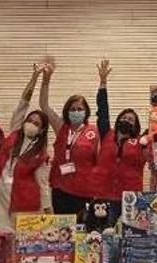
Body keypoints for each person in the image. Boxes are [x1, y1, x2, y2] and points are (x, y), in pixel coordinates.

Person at [0, 64, 51, 230]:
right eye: (29, 120)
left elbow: (43, 184)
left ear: (41, 130)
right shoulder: (14, 132)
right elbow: (24, 102)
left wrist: (48, 211)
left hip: (21, 201)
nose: (31, 124)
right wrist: (34, 77)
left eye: (36, 124)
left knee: (16, 246)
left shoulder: (40, 153)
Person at [40, 61, 103, 215]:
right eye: (73, 109)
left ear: (86, 112)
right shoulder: (61, 127)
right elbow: (43, 105)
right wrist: (46, 79)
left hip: (85, 191)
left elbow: (100, 163)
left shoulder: (94, 131)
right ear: (67, 112)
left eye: (80, 109)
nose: (76, 112)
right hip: (61, 188)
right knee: (64, 232)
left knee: (83, 231)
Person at [94, 59, 149, 215]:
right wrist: (103, 83)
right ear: (118, 121)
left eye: (131, 119)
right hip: (104, 197)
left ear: (135, 126)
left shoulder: (141, 142)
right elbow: (102, 111)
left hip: (130, 200)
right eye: (124, 118)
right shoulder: (106, 134)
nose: (126, 120)